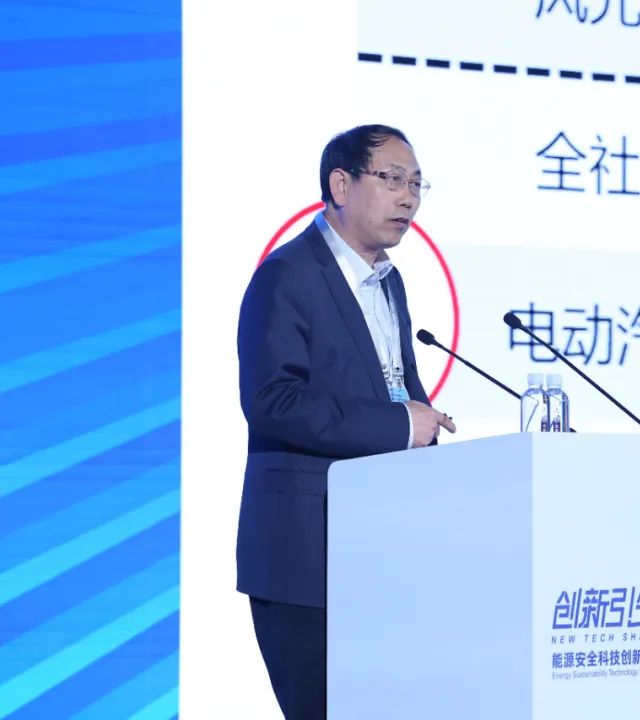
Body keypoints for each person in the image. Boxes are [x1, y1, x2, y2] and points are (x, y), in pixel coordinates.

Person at [235, 124, 456, 719]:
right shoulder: (287, 275)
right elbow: (273, 401)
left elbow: (394, 384)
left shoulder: (390, 281)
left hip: (382, 547)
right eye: (392, 179)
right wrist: (399, 426)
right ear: (340, 185)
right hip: (307, 556)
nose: (408, 198)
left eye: (417, 184)